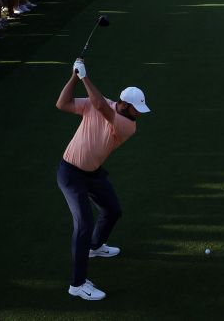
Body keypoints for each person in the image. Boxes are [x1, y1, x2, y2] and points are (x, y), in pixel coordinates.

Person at [55, 58, 151, 301]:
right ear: (124, 104)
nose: (139, 114)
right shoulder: (100, 105)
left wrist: (85, 76)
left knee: (113, 210)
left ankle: (95, 247)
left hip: (93, 173)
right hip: (70, 173)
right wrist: (74, 77)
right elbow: (62, 103)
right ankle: (77, 284)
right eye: (136, 108)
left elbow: (100, 105)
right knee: (84, 224)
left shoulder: (128, 125)